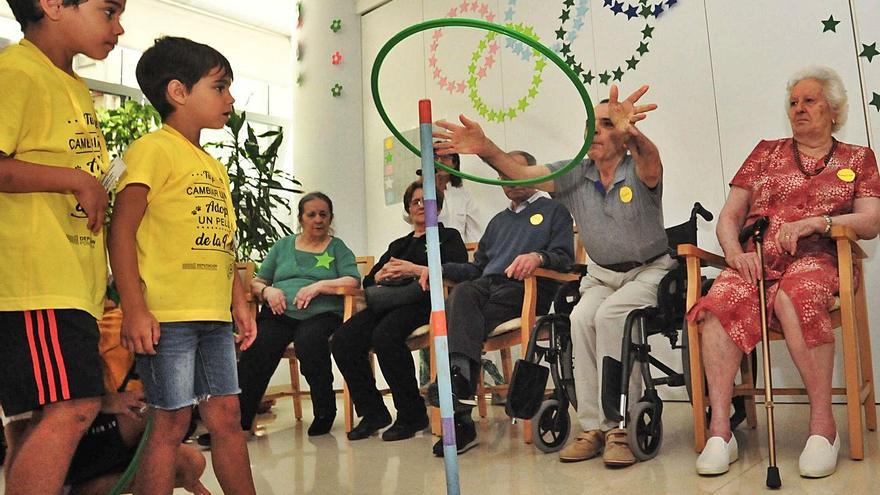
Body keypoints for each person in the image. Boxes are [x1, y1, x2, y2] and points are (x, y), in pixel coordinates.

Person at [434, 84, 670, 467]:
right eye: (589, 124)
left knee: (610, 318)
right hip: (600, 275)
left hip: (649, 271)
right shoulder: (575, 173)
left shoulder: (637, 165)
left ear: (623, 136)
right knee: (578, 321)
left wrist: (636, 136)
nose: (593, 130)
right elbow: (520, 172)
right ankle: (593, 426)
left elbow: (652, 163)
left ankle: (621, 428)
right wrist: (486, 148)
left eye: (606, 124)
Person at [688, 66, 880, 478]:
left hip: (821, 261)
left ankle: (822, 428)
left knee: (797, 294)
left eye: (809, 101)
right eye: (793, 102)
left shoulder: (857, 158)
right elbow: (729, 216)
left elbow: (871, 220)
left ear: (833, 109)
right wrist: (736, 253)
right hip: (759, 260)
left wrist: (820, 223)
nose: (799, 109)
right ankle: (722, 431)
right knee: (719, 302)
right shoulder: (766, 152)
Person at [109, 37, 257, 495]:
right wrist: (135, 309)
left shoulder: (212, 165)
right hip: (167, 319)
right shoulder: (152, 150)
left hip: (212, 318)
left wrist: (239, 302)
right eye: (220, 86)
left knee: (227, 418)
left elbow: (222, 243)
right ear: (178, 92)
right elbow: (121, 232)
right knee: (169, 423)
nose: (230, 98)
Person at [0, 1, 125, 493]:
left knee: (35, 422)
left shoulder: (72, 86)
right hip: (36, 281)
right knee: (72, 409)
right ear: (53, 4)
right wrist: (73, 179)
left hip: (71, 283)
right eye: (108, 10)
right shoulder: (17, 72)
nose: (119, 26)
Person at [424, 151, 575, 456]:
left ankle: (459, 405)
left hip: (527, 287)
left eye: (516, 173)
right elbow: (477, 268)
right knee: (462, 293)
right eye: (504, 177)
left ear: (531, 173)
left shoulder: (554, 210)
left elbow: (565, 260)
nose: (511, 181)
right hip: (489, 285)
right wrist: (439, 269)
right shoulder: (498, 222)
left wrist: (538, 257)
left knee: (465, 322)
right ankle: (460, 385)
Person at [2, 301, 210, 495]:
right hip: (68, 430)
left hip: (95, 431)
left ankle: (71, 489)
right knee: (140, 416)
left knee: (190, 464)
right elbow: (17, 428)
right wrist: (108, 402)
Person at [331, 180, 468, 442]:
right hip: (387, 301)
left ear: (437, 208)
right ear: (408, 208)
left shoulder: (448, 237)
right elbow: (369, 281)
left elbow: (458, 271)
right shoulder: (398, 244)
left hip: (424, 302)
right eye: (415, 202)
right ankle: (373, 412)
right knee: (343, 340)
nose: (420, 206)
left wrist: (414, 270)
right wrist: (381, 274)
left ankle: (412, 413)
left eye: (426, 201)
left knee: (385, 336)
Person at [232, 192, 362, 439]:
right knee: (258, 346)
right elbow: (258, 282)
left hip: (321, 314)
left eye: (323, 214)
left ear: (330, 218)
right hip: (280, 314)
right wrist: (268, 291)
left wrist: (318, 286)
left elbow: (352, 279)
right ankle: (238, 421)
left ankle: (325, 411)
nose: (318, 220)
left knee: (310, 342)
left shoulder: (337, 247)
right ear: (301, 218)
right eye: (311, 214)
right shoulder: (282, 246)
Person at [417, 152, 486, 243]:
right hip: (428, 248)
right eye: (435, 157)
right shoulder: (422, 190)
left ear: (454, 163)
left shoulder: (463, 194)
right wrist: (423, 184)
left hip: (456, 251)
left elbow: (474, 232)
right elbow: (407, 215)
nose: (440, 161)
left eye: (445, 157)